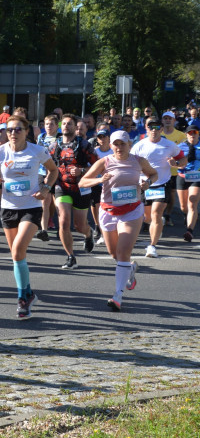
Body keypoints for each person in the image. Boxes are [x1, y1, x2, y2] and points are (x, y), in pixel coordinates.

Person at [0, 115, 59, 319]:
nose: (13, 133)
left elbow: (53, 170)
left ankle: (22, 299)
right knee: (18, 256)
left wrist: (46, 189)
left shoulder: (37, 151)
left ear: (27, 131)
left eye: (18, 130)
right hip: (8, 209)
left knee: (17, 250)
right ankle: (28, 292)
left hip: (31, 207)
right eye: (9, 130)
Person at [79, 130, 157, 311]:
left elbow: (153, 174)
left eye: (122, 143)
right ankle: (129, 269)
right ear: (111, 145)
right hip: (108, 211)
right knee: (114, 254)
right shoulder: (104, 162)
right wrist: (99, 179)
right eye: (116, 144)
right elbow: (83, 182)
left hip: (131, 211)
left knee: (122, 252)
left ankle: (118, 295)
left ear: (129, 144)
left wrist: (148, 183)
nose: (119, 147)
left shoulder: (138, 161)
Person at [130, 117, 185, 258]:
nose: (154, 130)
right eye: (150, 127)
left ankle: (152, 246)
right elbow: (131, 164)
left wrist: (176, 163)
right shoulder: (139, 146)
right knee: (147, 217)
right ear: (146, 129)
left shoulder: (170, 145)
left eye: (157, 127)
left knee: (156, 213)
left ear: (161, 129)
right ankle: (157, 225)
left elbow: (183, 160)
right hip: (144, 185)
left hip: (162, 184)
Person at [51, 114, 98, 270]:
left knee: (79, 226)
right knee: (63, 221)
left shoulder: (84, 145)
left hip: (81, 188)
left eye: (69, 124)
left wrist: (82, 170)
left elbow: (98, 165)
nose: (66, 126)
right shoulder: (54, 146)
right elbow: (46, 166)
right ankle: (70, 256)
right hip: (61, 187)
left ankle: (88, 233)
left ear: (75, 127)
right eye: (63, 123)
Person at [35, 114, 61, 241]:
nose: (49, 127)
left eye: (51, 124)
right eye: (46, 124)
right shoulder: (41, 137)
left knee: (58, 203)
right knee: (44, 201)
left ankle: (62, 228)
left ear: (57, 126)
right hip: (41, 171)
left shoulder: (60, 138)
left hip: (56, 171)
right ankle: (43, 230)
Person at [177, 119, 200, 241]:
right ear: (186, 134)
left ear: (198, 133)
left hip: (197, 177)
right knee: (183, 207)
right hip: (182, 177)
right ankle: (189, 215)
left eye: (195, 132)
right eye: (190, 133)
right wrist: (175, 163)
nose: (192, 134)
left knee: (192, 202)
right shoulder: (180, 147)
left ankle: (189, 231)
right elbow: (174, 161)